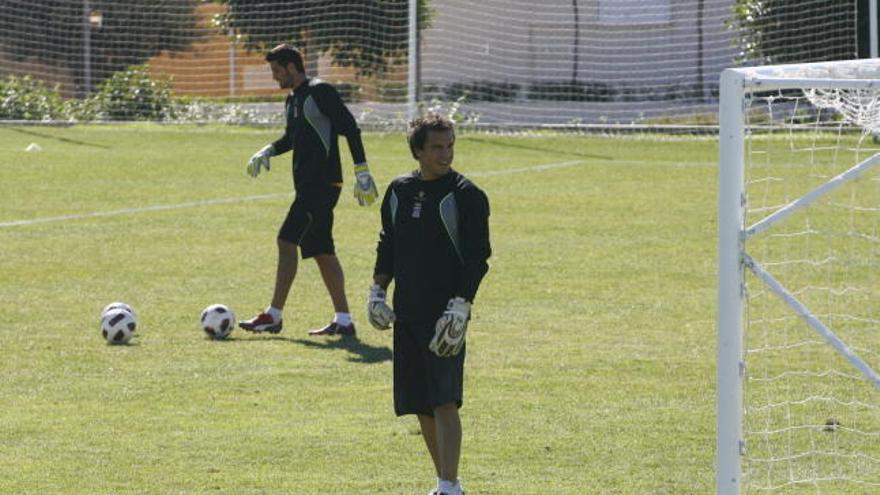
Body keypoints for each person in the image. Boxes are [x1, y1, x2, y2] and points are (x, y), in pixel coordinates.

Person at [367, 113, 491, 495]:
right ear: (418, 151)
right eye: (437, 147)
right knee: (420, 403)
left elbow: (477, 258)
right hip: (408, 311)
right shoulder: (399, 191)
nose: (446, 153)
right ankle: (446, 482)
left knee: (444, 400)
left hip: (445, 314)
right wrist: (376, 291)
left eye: (450, 145)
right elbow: (388, 243)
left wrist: (461, 307)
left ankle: (448, 485)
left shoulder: (467, 195)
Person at [239, 43, 378, 337]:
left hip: (322, 184)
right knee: (321, 250)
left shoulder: (320, 91)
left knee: (286, 239)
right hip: (308, 186)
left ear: (292, 67)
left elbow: (350, 128)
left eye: (277, 71)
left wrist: (362, 171)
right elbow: (292, 138)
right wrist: (269, 150)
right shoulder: (292, 100)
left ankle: (273, 315)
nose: (274, 77)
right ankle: (343, 320)